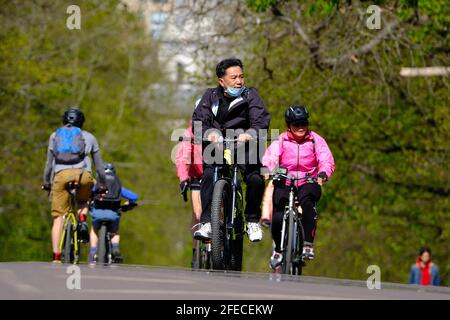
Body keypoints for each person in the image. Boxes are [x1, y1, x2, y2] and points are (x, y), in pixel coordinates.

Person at [192, 58, 270, 242]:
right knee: (209, 175)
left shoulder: (251, 95)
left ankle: (252, 221)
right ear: (221, 81)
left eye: (241, 77)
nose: (239, 81)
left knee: (255, 179)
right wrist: (208, 134)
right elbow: (198, 122)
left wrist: (250, 134)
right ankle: (206, 223)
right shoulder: (209, 96)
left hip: (244, 145)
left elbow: (261, 120)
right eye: (234, 77)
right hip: (216, 145)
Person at [262, 105, 335, 270]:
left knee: (308, 201)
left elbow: (325, 158)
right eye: (296, 124)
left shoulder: (316, 139)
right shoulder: (280, 140)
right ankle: (279, 251)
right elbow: (271, 156)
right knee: (278, 213)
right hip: (285, 180)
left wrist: (323, 173)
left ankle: (307, 244)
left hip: (307, 180)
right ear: (289, 125)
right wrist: (267, 169)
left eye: (303, 123)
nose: (301, 127)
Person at [42, 108, 107, 263]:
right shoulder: (90, 137)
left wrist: (46, 182)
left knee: (58, 218)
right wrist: (103, 184)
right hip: (83, 176)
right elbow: (99, 166)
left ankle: (56, 256)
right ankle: (82, 218)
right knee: (83, 201)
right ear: (81, 122)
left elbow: (48, 165)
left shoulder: (55, 136)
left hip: (61, 176)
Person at [89, 163, 138, 264]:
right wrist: (129, 204)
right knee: (114, 232)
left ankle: (93, 252)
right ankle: (115, 248)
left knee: (94, 229)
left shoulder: (98, 184)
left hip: (97, 214)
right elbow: (134, 196)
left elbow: (89, 193)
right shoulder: (117, 186)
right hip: (113, 215)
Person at [176, 113, 204, 266]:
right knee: (197, 213)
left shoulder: (218, 128)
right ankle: (196, 251)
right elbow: (182, 156)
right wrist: (183, 178)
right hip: (197, 177)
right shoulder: (189, 132)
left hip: (215, 175)